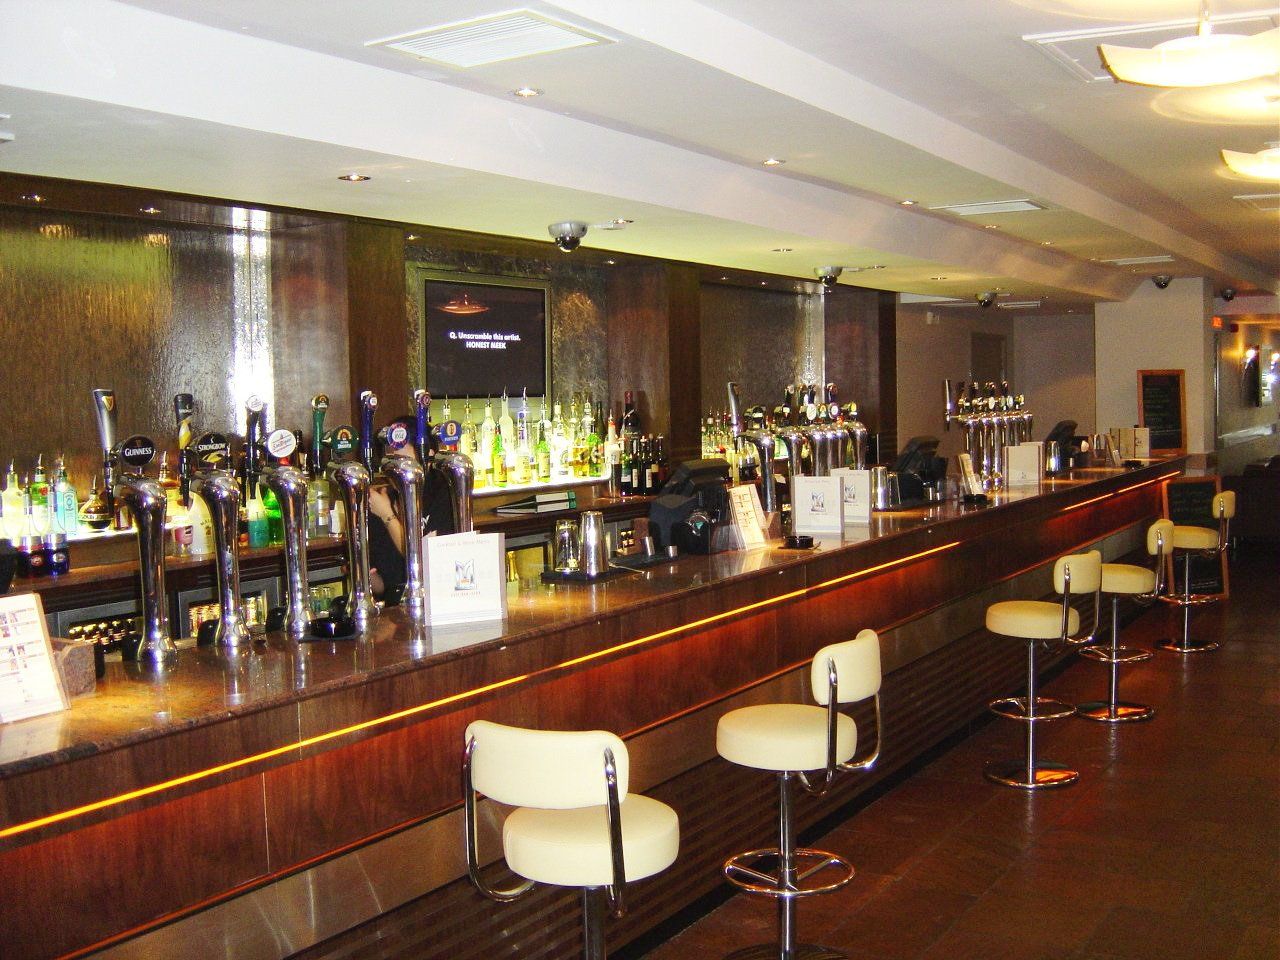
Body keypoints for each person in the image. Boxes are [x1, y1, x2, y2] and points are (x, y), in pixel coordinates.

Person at [366, 416, 458, 603]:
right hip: (395, 612)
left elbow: (428, 563)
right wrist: (364, 574)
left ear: (428, 456)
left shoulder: (445, 494)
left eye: (402, 460)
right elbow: (384, 585)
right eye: (390, 461)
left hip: (437, 602)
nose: (395, 469)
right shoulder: (381, 499)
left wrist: (388, 516)